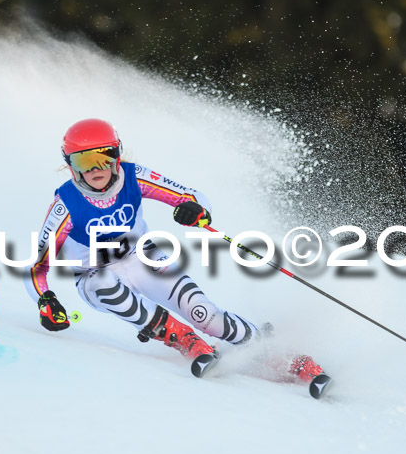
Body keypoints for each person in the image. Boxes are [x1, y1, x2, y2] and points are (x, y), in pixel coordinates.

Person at [24, 118, 261, 365]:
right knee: (104, 283)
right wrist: (45, 299)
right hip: (94, 275)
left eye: (103, 157)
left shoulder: (134, 177)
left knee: (204, 314)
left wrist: (196, 210)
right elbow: (36, 267)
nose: (96, 169)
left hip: (141, 257)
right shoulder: (65, 206)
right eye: (83, 161)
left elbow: (192, 196)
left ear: (117, 155)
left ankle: (263, 345)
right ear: (71, 166)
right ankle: (186, 341)